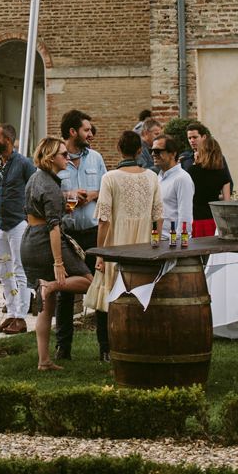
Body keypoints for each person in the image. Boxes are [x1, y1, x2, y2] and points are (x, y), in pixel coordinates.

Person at [86, 131, 162, 361]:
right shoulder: (152, 177)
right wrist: (155, 244)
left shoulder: (110, 178)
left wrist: (101, 253)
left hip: (115, 244)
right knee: (139, 295)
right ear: (140, 150)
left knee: (106, 297)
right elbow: (158, 216)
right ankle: (138, 342)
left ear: (119, 149)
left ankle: (106, 348)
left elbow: (104, 220)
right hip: (142, 245)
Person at [20, 136, 92, 371]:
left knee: (46, 306)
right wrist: (59, 263)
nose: (68, 158)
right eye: (63, 154)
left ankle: (44, 361)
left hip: (30, 239)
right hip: (45, 241)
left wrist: (68, 199)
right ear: (51, 158)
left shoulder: (35, 178)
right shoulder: (50, 185)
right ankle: (50, 285)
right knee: (87, 281)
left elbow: (37, 207)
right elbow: (53, 226)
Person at [55, 109, 105, 361]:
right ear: (73, 132)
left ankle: (105, 348)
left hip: (93, 233)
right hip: (68, 235)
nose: (90, 133)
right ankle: (63, 348)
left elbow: (106, 191)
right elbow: (49, 197)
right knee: (65, 291)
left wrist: (93, 195)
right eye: (86, 129)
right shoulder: (55, 159)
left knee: (100, 288)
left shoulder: (95, 158)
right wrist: (71, 198)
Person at [0, 123, 34, 335]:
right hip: (1, 223)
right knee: (3, 269)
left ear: (8, 140)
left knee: (19, 268)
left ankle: (22, 317)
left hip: (18, 222)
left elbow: (34, 188)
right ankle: (11, 313)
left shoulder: (23, 163)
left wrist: (30, 217)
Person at [186, 134, 231, 237]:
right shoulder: (222, 172)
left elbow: (188, 196)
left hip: (196, 219)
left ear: (200, 151)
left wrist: (195, 163)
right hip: (214, 220)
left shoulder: (192, 171)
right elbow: (227, 201)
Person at [153, 134, 194, 235]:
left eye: (158, 151)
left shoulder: (182, 178)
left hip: (172, 243)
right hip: (157, 240)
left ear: (173, 154)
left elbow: (185, 216)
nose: (153, 154)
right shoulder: (159, 177)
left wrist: (179, 245)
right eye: (152, 150)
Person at [180, 120, 233, 189]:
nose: (192, 140)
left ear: (204, 137)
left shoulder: (216, 157)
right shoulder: (185, 159)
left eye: (195, 137)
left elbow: (228, 183)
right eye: (189, 138)